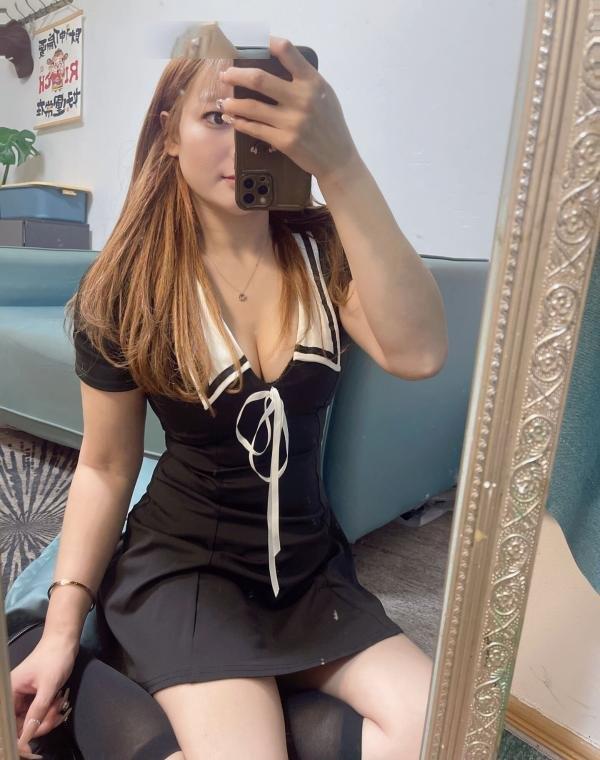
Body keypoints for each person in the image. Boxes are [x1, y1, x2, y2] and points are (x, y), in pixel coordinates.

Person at [11, 34, 442, 760]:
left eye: (263, 118)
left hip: (308, 572)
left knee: (444, 725)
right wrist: (58, 633)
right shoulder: (124, 289)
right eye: (217, 117)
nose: (243, 143)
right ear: (168, 133)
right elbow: (106, 467)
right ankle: (99, 673)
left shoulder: (323, 251)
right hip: (186, 570)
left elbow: (419, 353)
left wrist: (340, 163)